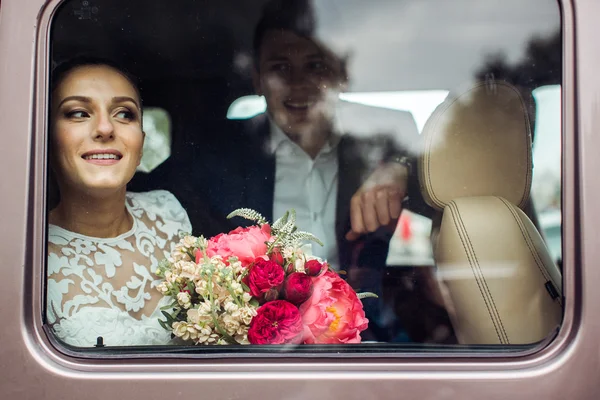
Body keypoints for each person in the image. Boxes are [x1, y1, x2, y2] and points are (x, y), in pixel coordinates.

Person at [46, 57, 192, 347]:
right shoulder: (26, 254)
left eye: (124, 114)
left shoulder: (169, 213)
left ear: (140, 142)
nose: (105, 128)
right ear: (44, 138)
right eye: (77, 113)